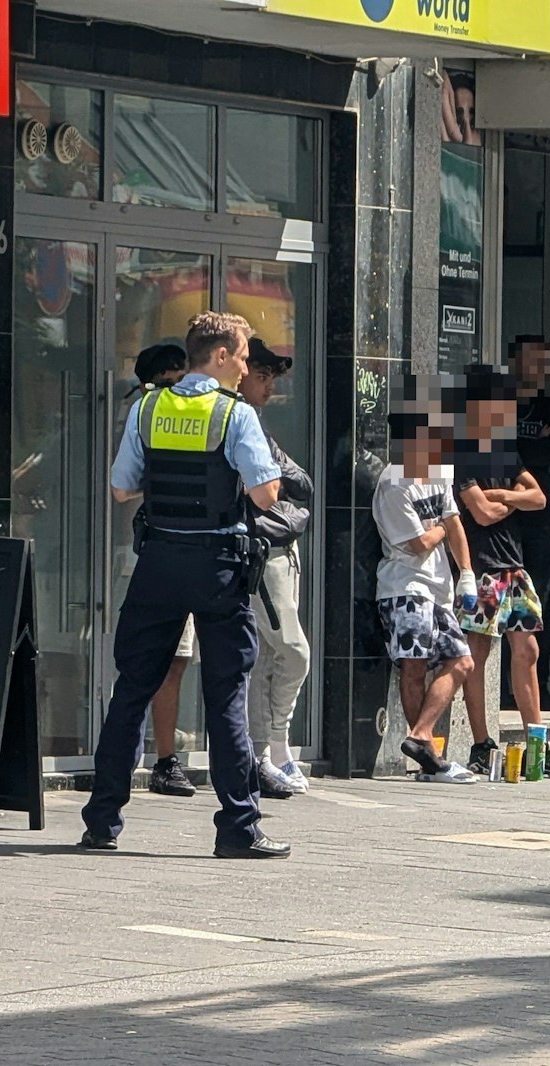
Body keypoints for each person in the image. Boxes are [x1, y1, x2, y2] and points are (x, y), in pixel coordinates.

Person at [78, 312, 287, 859]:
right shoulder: (233, 414)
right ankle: (238, 827)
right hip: (217, 564)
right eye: (242, 357)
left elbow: (122, 489)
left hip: (159, 562)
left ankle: (102, 821)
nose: (246, 368)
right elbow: (266, 496)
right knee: (225, 696)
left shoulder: (148, 406)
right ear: (219, 356)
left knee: (131, 690)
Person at [453, 364, 550, 781]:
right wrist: (512, 501)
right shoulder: (462, 453)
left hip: (515, 566)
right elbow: (483, 514)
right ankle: (480, 742)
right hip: (485, 566)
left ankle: (538, 745)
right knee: (477, 654)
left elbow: (539, 497)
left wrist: (505, 494)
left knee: (527, 651)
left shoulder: (505, 452)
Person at [373, 413, 480, 783]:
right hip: (404, 588)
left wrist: (466, 574)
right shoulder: (393, 484)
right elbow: (417, 544)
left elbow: (453, 524)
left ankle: (420, 736)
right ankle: (428, 760)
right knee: (413, 667)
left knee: (462, 662)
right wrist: (437, 530)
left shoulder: (440, 471)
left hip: (439, 588)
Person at [239, 338, 314, 798]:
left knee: (268, 655)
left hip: (281, 552)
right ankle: (273, 746)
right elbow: (267, 492)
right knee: (292, 650)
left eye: (272, 379)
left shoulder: (258, 426)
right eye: (261, 376)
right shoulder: (236, 420)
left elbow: (301, 483)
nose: (268, 387)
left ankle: (264, 751)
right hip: (258, 554)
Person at [127, 343, 201, 799]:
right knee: (141, 661)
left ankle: (163, 757)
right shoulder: (141, 416)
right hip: (137, 555)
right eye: (171, 381)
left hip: (176, 552)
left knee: (175, 660)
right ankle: (135, 751)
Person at [511, 337, 550, 704]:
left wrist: (521, 450)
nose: (539, 369)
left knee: (537, 600)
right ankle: (503, 685)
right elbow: (496, 450)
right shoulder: (499, 404)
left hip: (540, 518)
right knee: (501, 602)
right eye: (532, 360)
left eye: (544, 362)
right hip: (501, 521)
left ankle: (539, 684)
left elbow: (546, 453)